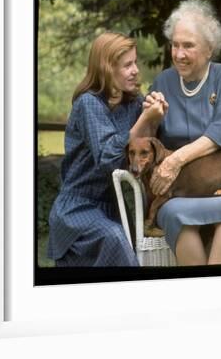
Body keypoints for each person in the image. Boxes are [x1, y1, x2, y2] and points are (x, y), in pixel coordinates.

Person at [144, 0, 221, 266]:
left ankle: (216, 293)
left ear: (209, 49)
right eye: (175, 45)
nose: (179, 53)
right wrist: (148, 117)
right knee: (173, 212)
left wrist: (175, 160)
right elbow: (147, 140)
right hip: (178, 192)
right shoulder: (163, 80)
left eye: (188, 45)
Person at [47, 31, 166, 267]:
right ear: (107, 68)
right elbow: (108, 159)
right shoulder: (88, 104)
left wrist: (156, 116)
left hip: (113, 207)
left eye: (135, 62)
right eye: (127, 65)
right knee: (114, 239)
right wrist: (144, 119)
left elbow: (144, 149)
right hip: (79, 208)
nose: (136, 70)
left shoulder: (131, 101)